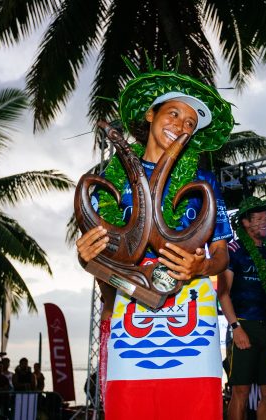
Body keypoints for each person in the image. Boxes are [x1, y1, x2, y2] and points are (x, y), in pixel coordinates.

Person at [75, 64, 234, 419]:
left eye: (190, 123)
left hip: (192, 307)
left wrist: (202, 266)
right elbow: (100, 257)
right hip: (131, 307)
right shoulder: (110, 178)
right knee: (131, 407)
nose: (180, 125)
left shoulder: (203, 180)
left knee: (195, 408)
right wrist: (86, 257)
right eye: (173, 113)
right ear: (151, 115)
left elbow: (222, 254)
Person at [217, 196, 266, 420]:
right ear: (245, 222)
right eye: (259, 218)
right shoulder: (233, 250)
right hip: (244, 326)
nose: (265, 221)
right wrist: (236, 327)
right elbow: (223, 293)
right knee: (241, 392)